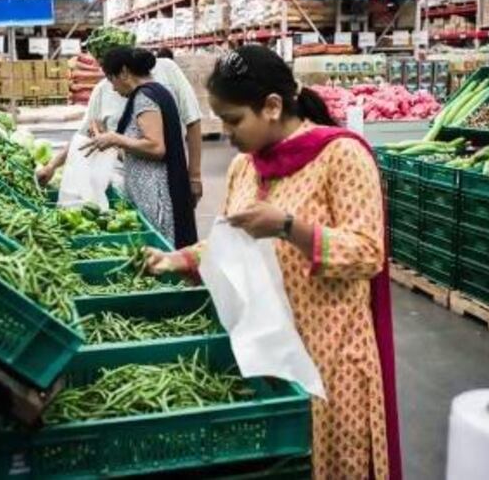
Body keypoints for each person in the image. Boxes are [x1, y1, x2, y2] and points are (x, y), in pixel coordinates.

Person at [144, 46, 402, 479]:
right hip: (269, 353)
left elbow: (366, 252)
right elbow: (232, 245)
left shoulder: (341, 157)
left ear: (272, 106)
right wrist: (180, 259)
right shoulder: (245, 168)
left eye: (233, 120)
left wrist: (288, 226)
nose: (227, 134)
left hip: (330, 357)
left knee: (331, 464)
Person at [36, 32, 203, 205]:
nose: (111, 85)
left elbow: (188, 124)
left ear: (123, 68)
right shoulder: (103, 90)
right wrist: (52, 166)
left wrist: (195, 177)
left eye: (108, 70)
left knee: (167, 221)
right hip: (128, 179)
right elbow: (84, 135)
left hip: (169, 173)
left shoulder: (156, 83)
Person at [81, 46, 197, 248]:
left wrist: (116, 138)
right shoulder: (157, 92)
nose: (113, 89)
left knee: (162, 252)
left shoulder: (145, 97)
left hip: (157, 196)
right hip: (156, 192)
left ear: (124, 72)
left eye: (112, 80)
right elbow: (139, 148)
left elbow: (156, 147)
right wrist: (108, 141)